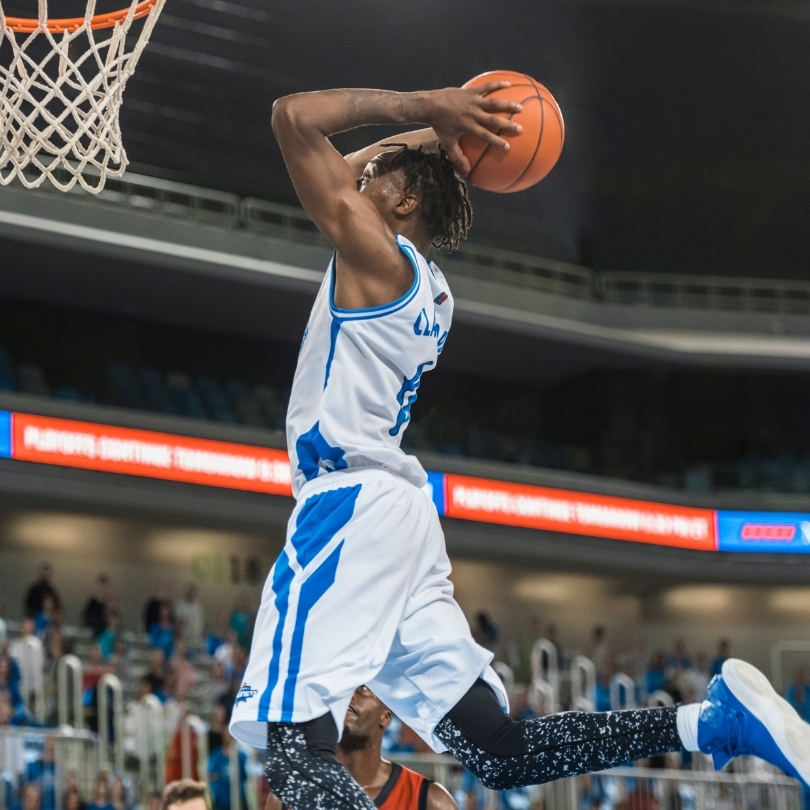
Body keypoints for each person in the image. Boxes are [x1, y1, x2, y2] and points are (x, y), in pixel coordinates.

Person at [227, 81, 810, 809]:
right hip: (400, 515)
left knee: (292, 750)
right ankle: (712, 724)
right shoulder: (428, 288)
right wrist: (437, 141)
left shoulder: (376, 259)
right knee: (494, 747)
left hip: (347, 504)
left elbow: (291, 118)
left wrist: (427, 106)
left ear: (403, 205)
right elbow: (347, 168)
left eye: (379, 179)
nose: (359, 176)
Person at [267, 685, 456, 810]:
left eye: (363, 689)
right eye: (343, 689)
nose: (349, 696)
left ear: (386, 716)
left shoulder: (429, 800)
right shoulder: (286, 797)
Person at [25, 738, 56, 810]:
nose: (49, 753)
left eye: (51, 750)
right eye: (47, 750)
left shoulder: (57, 768)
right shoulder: (34, 766)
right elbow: (27, 787)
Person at [175, 585, 205, 652]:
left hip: (196, 640)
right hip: (185, 640)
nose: (191, 594)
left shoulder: (198, 606)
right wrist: (180, 639)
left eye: (193, 593)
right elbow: (179, 624)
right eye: (190, 592)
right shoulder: (181, 606)